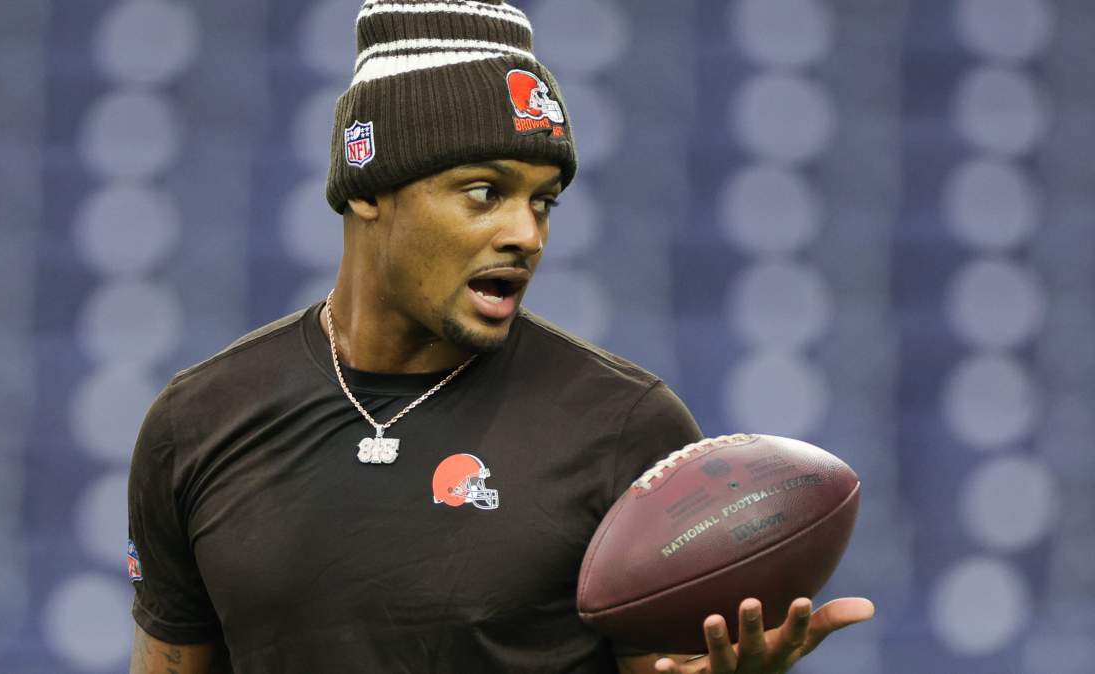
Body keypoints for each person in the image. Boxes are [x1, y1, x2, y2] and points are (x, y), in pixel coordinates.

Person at [125, 1, 874, 672]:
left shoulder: (623, 426)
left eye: (544, 201)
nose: (527, 234)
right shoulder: (198, 423)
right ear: (368, 188)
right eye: (485, 192)